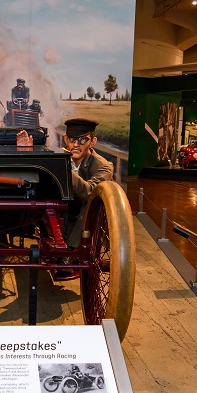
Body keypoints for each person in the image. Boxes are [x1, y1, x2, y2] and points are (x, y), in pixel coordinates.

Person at [55, 118, 114, 280]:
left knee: (91, 202)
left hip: (84, 217)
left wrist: (64, 168)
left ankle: (70, 252)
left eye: (83, 140)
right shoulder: (57, 157)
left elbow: (88, 192)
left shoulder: (103, 166)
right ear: (66, 139)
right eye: (72, 139)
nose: (76, 145)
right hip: (62, 210)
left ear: (92, 141)